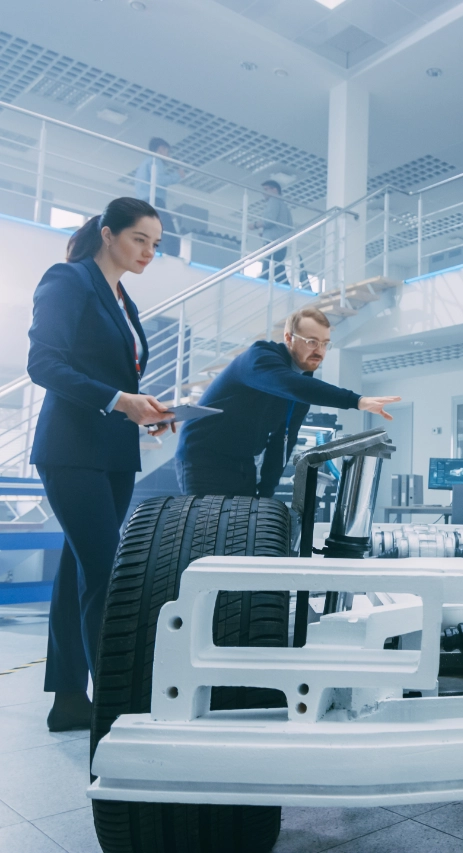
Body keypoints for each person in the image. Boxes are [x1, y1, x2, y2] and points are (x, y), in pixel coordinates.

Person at [27, 197, 174, 732]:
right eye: (140, 240)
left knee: (80, 571)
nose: (148, 252)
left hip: (112, 451)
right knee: (107, 572)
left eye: (155, 245)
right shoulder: (68, 280)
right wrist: (117, 400)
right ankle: (117, 706)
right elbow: (44, 363)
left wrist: (145, 410)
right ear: (108, 234)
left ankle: (69, 698)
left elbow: (121, 381)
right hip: (71, 450)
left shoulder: (123, 301)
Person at [175, 305, 400, 498]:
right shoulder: (260, 358)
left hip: (242, 462)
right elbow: (290, 385)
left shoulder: (303, 382)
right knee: (207, 535)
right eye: (312, 342)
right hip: (203, 459)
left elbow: (283, 440)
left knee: (242, 536)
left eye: (324, 344)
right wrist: (357, 401)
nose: (319, 351)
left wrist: (266, 493)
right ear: (288, 338)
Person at [135, 137, 185, 257]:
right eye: (167, 151)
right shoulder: (155, 160)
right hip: (155, 201)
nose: (168, 155)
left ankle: (159, 253)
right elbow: (159, 180)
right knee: (168, 232)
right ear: (161, 149)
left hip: (144, 202)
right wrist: (177, 175)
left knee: (155, 230)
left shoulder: (143, 165)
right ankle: (172, 256)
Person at [249, 180, 293, 284]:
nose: (263, 193)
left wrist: (254, 225)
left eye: (266, 189)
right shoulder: (284, 207)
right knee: (277, 270)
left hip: (273, 242)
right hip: (281, 242)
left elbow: (269, 221)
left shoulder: (274, 200)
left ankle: (259, 286)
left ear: (275, 190)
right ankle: (288, 292)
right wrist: (264, 233)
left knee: (269, 269)